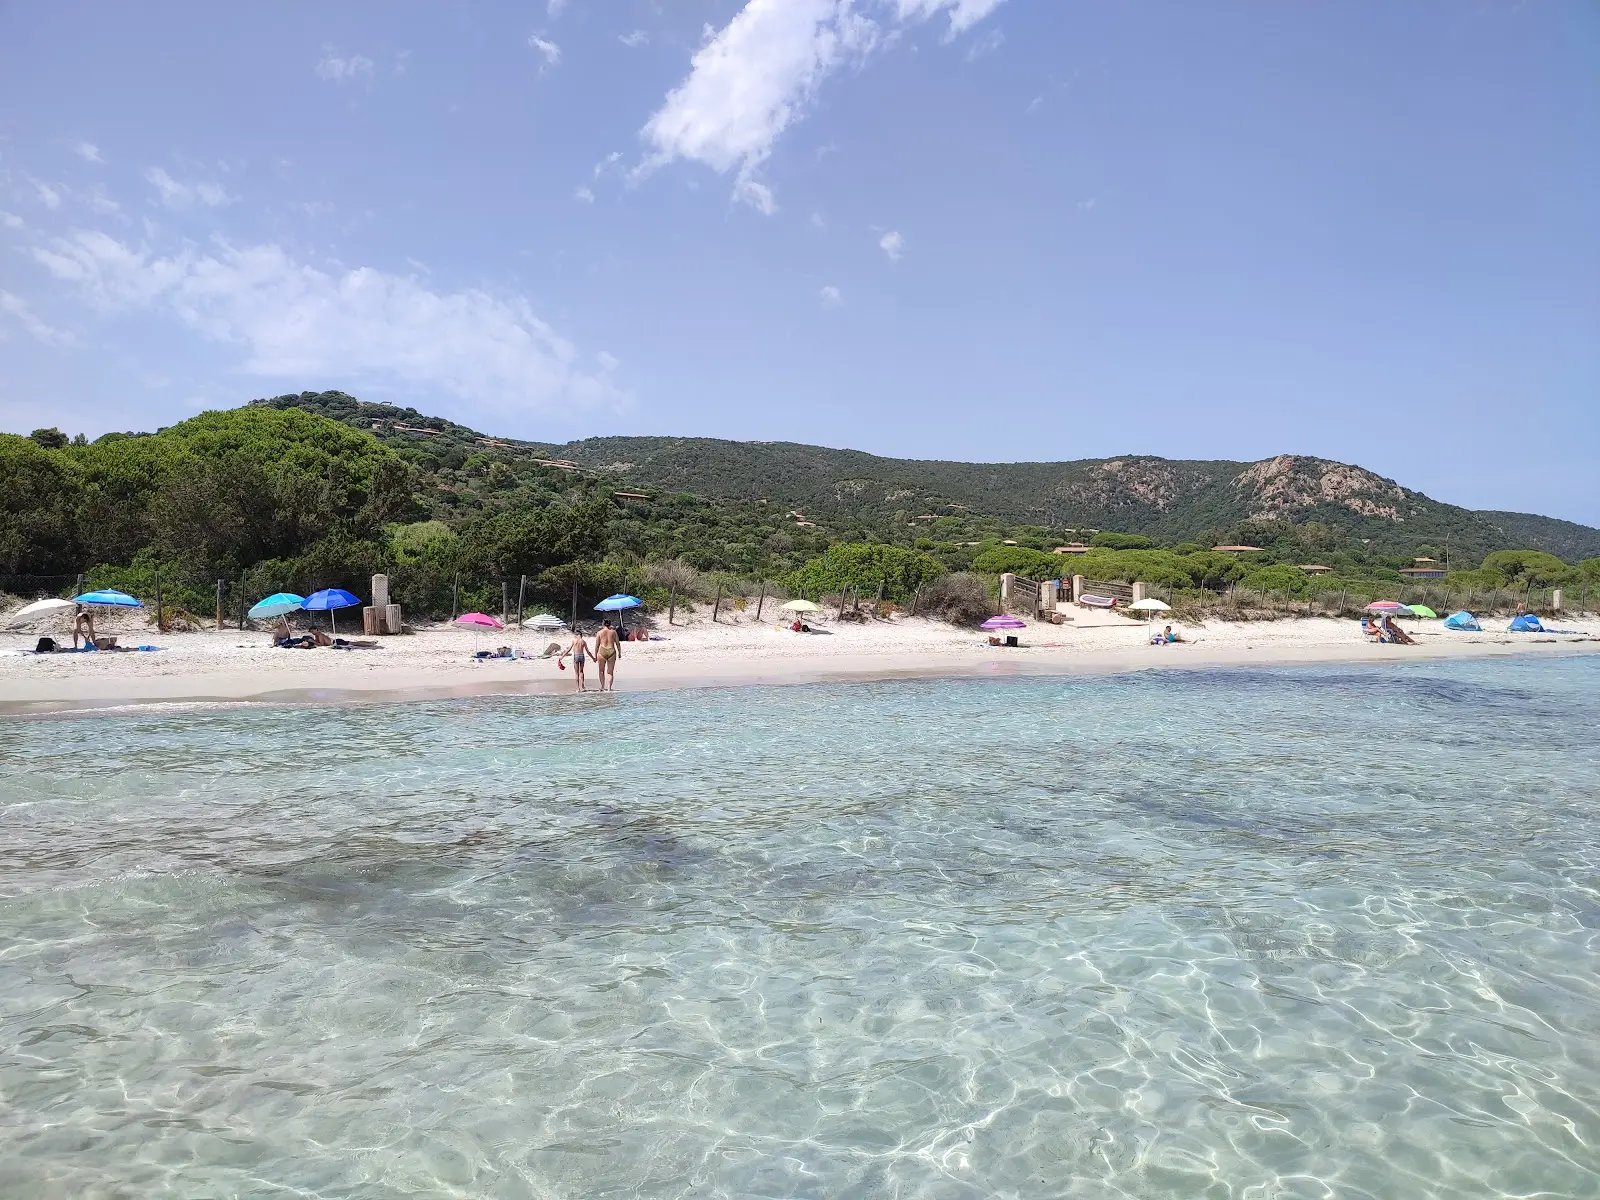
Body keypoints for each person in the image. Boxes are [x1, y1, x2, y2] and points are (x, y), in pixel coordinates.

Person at [595, 621, 621, 692]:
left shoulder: (599, 633)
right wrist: (619, 653)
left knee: (601, 671)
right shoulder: (613, 632)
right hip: (611, 651)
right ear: (610, 624)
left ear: (603, 624)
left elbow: (597, 645)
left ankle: (602, 687)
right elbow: (617, 643)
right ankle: (609, 688)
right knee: (610, 672)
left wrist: (595, 654)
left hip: (602, 651)